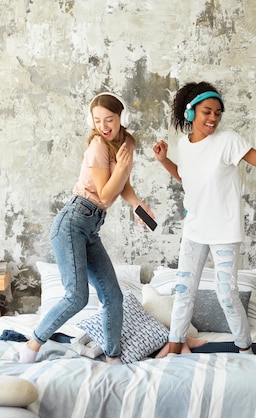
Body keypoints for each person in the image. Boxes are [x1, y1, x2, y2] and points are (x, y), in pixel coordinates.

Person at [152, 81, 256, 355]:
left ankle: (245, 349)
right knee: (184, 290)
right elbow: (187, 179)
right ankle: (175, 346)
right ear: (190, 113)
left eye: (218, 113)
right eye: (207, 112)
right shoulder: (183, 145)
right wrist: (164, 160)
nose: (213, 118)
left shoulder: (228, 141)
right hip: (194, 229)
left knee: (226, 294)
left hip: (224, 231)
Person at [20, 92, 155, 364]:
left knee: (114, 297)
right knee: (76, 297)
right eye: (98, 121)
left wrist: (138, 205)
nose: (104, 126)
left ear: (122, 118)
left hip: (90, 227)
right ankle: (31, 345)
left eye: (110, 120)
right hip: (72, 222)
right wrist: (125, 164)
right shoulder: (97, 145)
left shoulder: (125, 143)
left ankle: (113, 358)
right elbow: (105, 195)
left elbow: (122, 184)